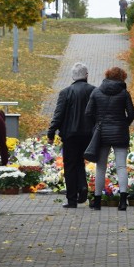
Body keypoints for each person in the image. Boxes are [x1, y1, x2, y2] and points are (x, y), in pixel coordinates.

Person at [85, 66, 134, 211]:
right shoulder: (124, 93)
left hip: (102, 134)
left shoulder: (96, 92)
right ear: (122, 78)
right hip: (120, 132)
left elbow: (88, 112)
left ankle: (97, 201)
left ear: (107, 76)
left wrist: (97, 125)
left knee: (101, 167)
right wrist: (123, 124)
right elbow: (131, 113)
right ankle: (122, 201)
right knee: (121, 166)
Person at [47, 63, 96, 208]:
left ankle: (72, 200)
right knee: (80, 162)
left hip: (70, 135)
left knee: (70, 165)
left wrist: (51, 133)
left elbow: (58, 115)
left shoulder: (65, 92)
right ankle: (82, 186)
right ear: (86, 75)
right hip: (88, 134)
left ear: (73, 76)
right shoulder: (94, 91)